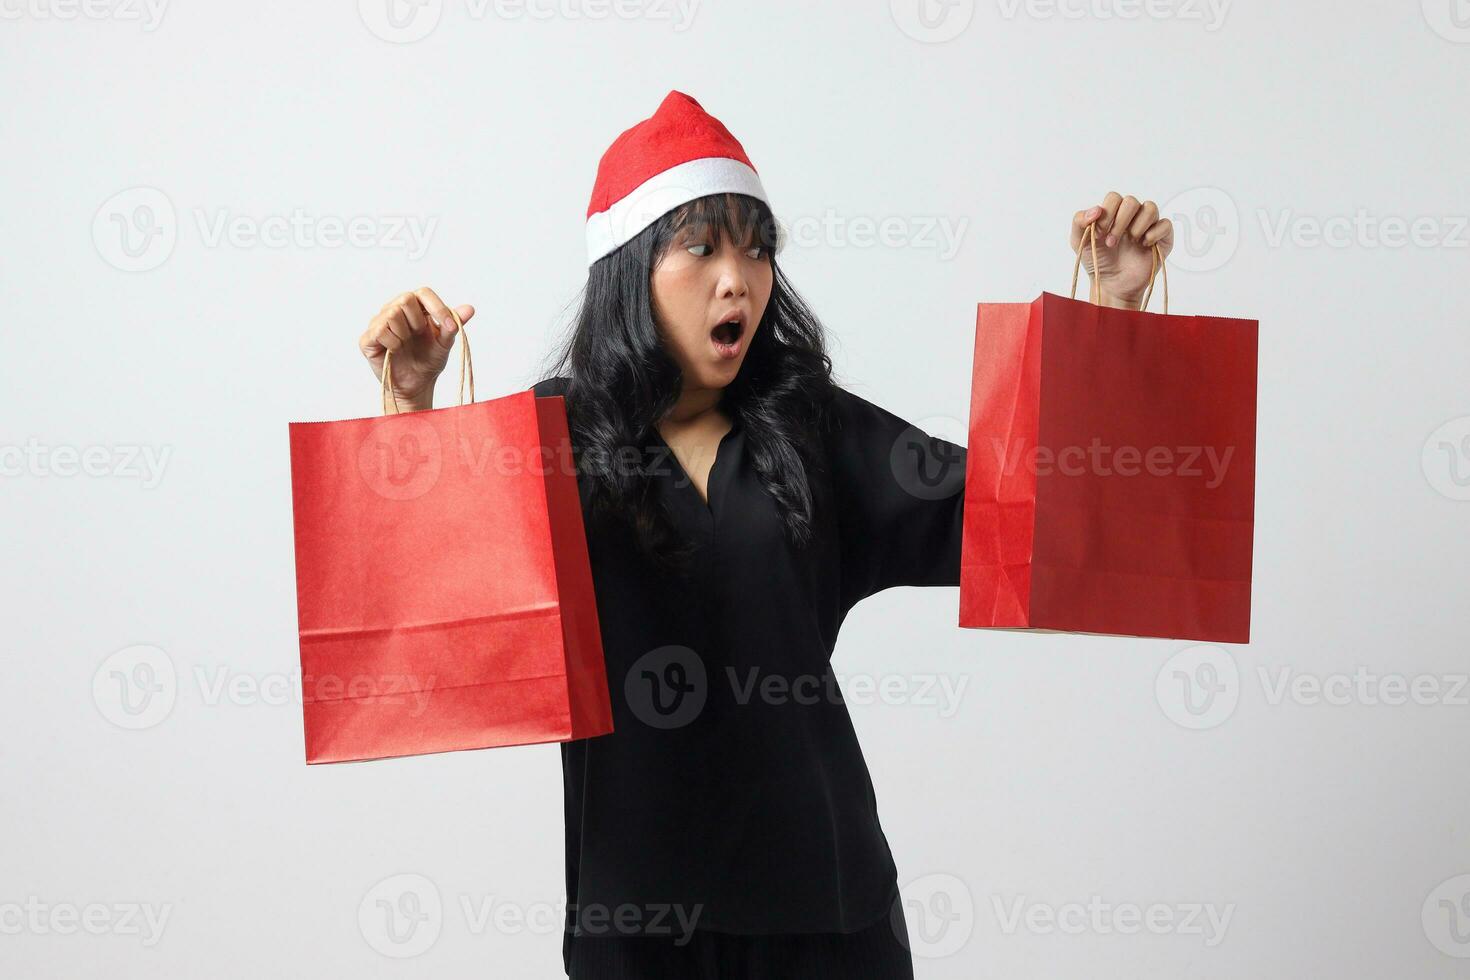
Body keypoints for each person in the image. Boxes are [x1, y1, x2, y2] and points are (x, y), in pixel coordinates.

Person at [355, 91, 1173, 980]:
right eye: (701, 246)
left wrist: (1115, 309)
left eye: (757, 247)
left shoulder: (813, 430)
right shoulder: (547, 443)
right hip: (637, 926)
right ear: (631, 267)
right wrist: (410, 406)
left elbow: (1036, 527)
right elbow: (434, 630)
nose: (737, 277)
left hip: (830, 913)